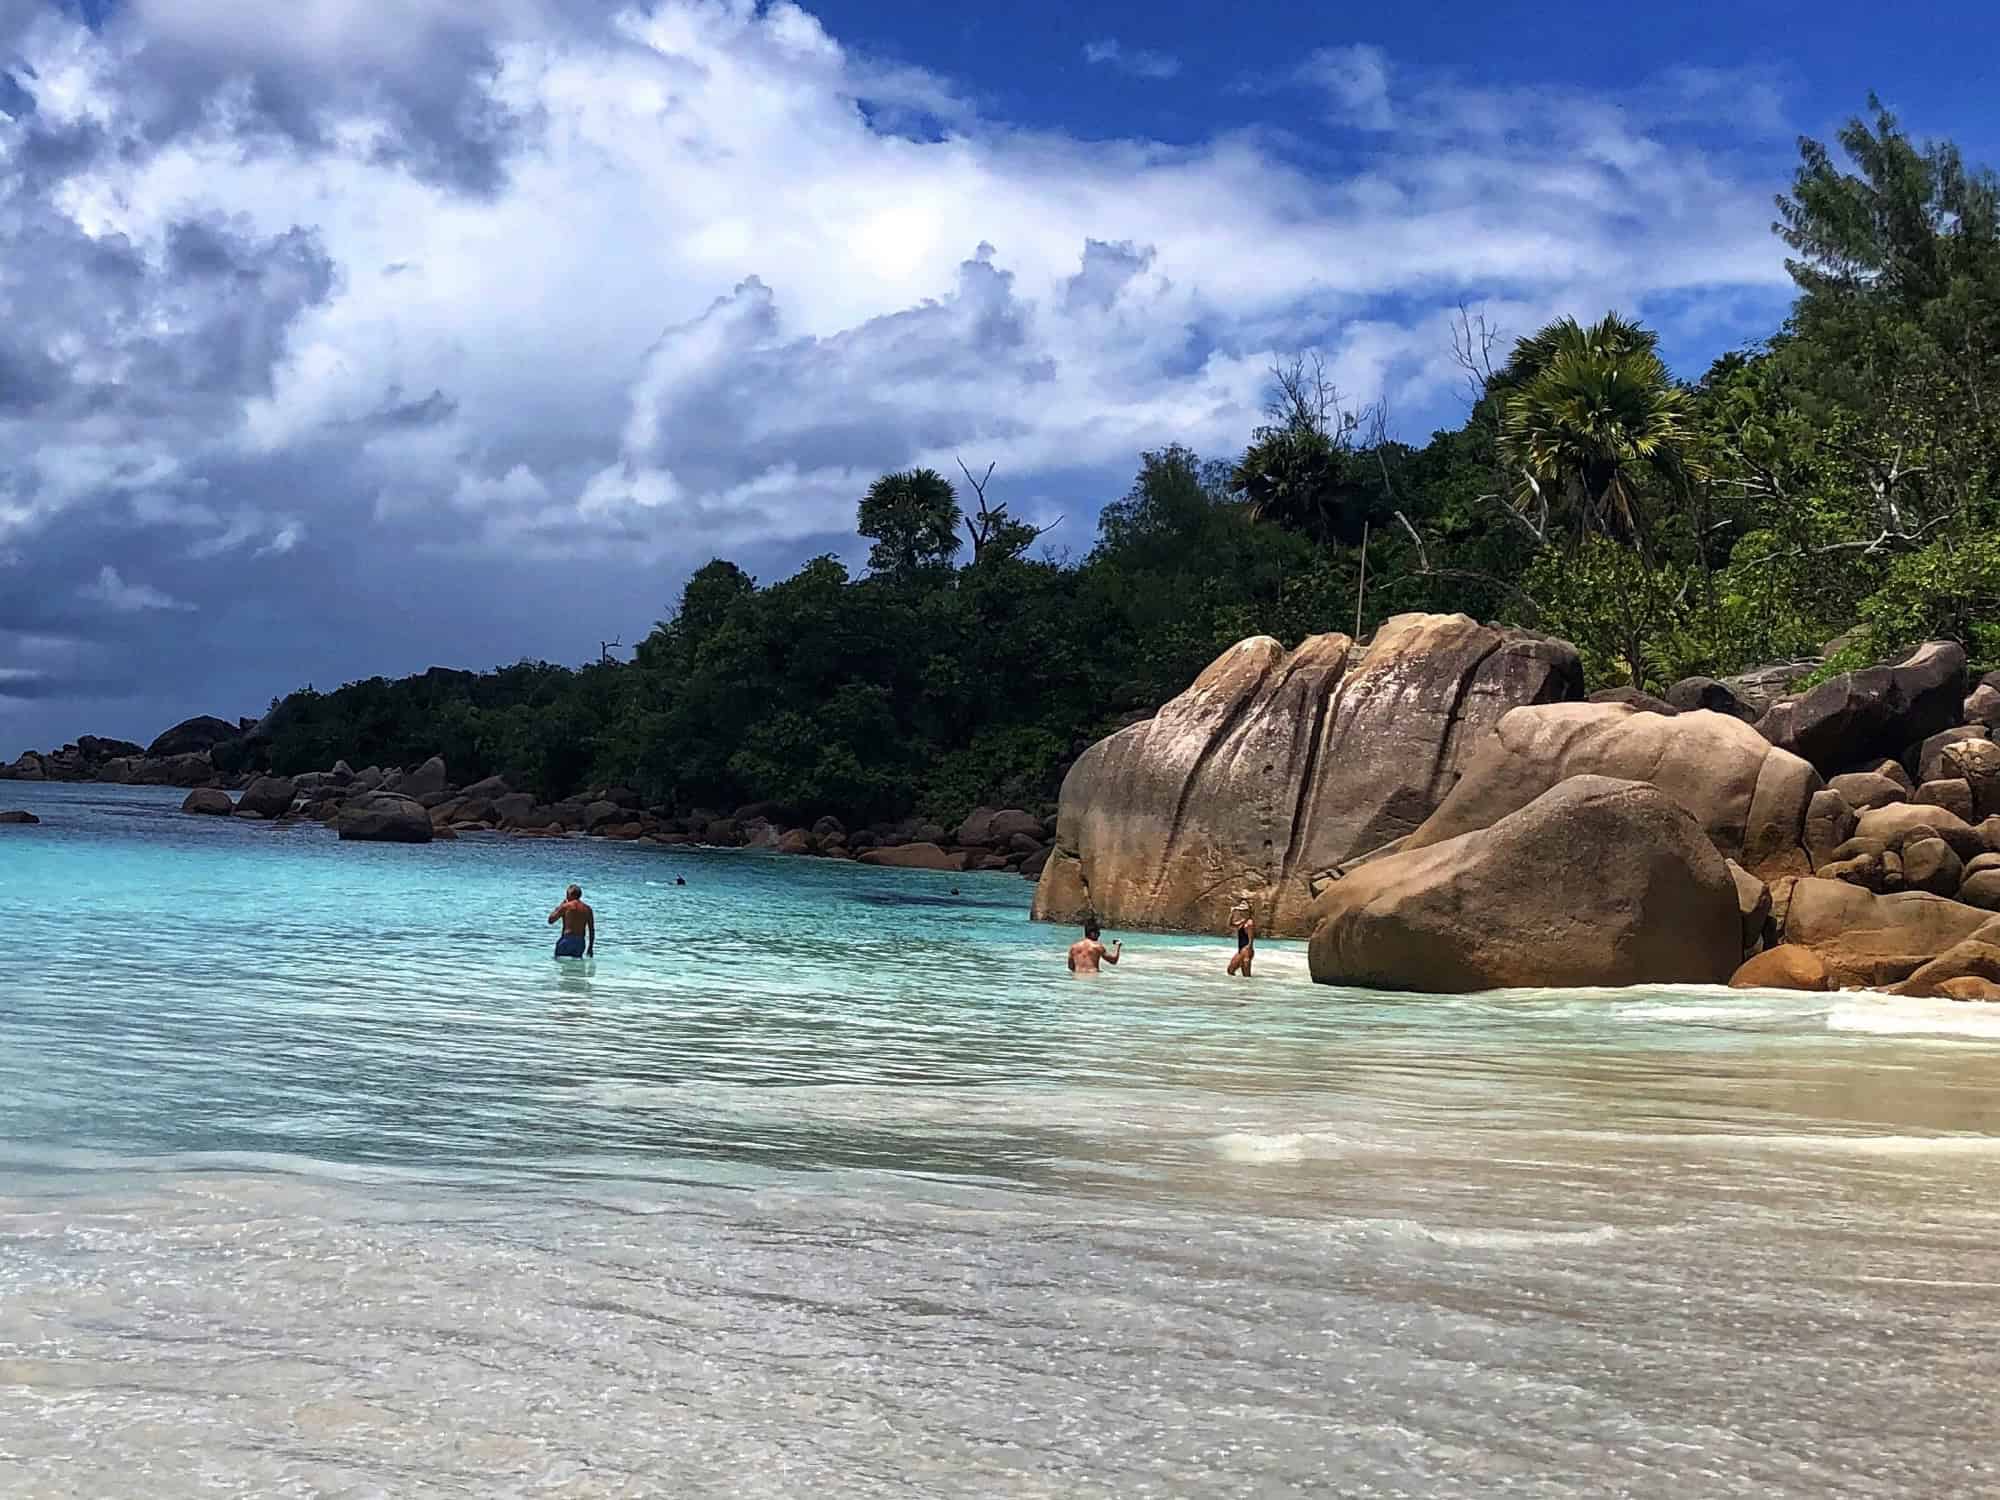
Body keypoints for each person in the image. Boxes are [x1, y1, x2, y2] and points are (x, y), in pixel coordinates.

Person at [548, 884, 595, 959]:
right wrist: (590, 947)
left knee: (560, 963)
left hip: (567, 940)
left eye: (567, 895)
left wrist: (560, 906)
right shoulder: (587, 909)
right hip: (580, 942)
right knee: (577, 969)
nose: (566, 897)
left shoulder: (566, 906)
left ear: (570, 895)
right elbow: (591, 930)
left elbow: (551, 920)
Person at [1226, 898, 1257, 977]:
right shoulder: (1243, 922)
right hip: (1241, 951)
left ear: (1248, 912)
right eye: (1241, 911)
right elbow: (1230, 925)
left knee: (1246, 976)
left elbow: (1251, 939)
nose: (1242, 912)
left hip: (1246, 951)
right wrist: (1232, 913)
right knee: (1230, 970)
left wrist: (1247, 955)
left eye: (1244, 911)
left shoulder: (1249, 923)